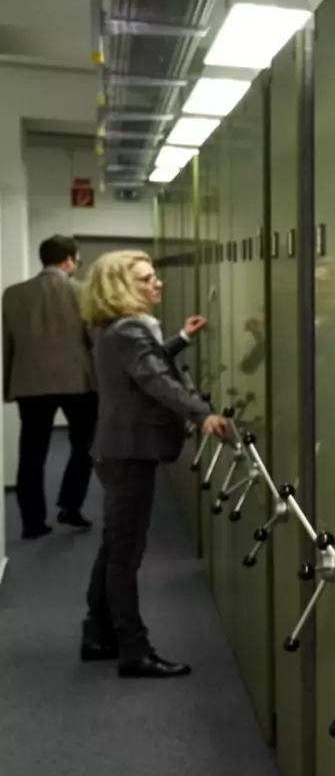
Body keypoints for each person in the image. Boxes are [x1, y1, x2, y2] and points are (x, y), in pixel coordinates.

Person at [80, 250, 229, 678]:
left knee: (114, 546)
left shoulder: (117, 328)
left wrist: (180, 338)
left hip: (116, 449)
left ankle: (97, 633)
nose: (157, 284)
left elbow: (144, 366)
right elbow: (155, 380)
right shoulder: (129, 329)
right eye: (147, 279)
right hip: (128, 453)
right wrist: (202, 414)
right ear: (121, 287)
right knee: (125, 556)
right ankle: (133, 650)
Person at [2, 234, 98, 538]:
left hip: (30, 382)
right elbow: (94, 341)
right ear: (69, 259)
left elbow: (6, 345)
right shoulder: (82, 292)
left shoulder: (13, 294)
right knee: (84, 446)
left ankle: (32, 523)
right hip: (77, 382)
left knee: (31, 453)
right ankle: (70, 506)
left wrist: (7, 386)